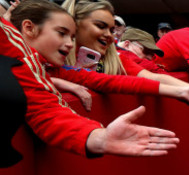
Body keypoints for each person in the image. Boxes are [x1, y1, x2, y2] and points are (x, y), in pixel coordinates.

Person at [0, 13, 178, 164]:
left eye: (72, 36)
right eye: (62, 33)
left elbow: (44, 106)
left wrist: (97, 137)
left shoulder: (18, 50)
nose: (70, 44)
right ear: (29, 29)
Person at [11, 0, 189, 117]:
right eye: (100, 26)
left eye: (112, 29)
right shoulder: (31, 57)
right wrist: (54, 81)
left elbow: (145, 77)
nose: (109, 35)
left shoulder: (115, 58)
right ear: (73, 23)